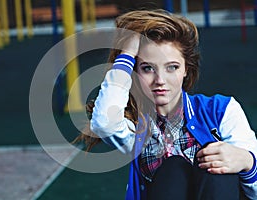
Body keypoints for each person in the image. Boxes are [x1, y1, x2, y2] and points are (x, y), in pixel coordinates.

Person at [74, 9, 257, 200]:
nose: (160, 80)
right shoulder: (136, 127)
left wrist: (248, 162)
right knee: (173, 169)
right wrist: (126, 55)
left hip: (217, 188)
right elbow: (105, 123)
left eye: (172, 67)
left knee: (215, 164)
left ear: (186, 68)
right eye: (148, 68)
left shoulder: (221, 110)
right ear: (134, 72)